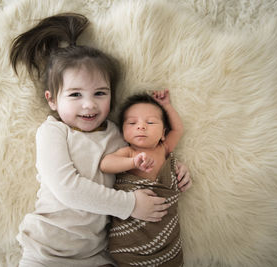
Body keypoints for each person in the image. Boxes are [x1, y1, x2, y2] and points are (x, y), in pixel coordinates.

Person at [10, 13, 191, 267]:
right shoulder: (53, 132)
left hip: (95, 255)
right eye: (75, 94)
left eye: (100, 93)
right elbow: (67, 188)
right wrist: (129, 205)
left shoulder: (116, 134)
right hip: (46, 251)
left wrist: (172, 167)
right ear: (52, 99)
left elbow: (140, 159)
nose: (89, 104)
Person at [100, 90, 191, 266]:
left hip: (165, 232)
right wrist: (132, 163)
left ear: (163, 133)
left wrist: (166, 106)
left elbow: (178, 129)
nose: (141, 126)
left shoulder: (164, 148)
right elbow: (106, 164)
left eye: (150, 122)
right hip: (133, 232)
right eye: (132, 123)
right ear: (123, 132)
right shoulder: (128, 152)